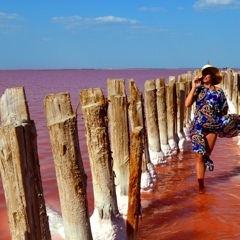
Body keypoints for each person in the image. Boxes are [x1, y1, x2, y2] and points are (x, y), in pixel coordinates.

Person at [185, 64, 240, 191]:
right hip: (197, 126)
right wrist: (194, 87)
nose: (204, 76)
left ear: (212, 76)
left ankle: (201, 182)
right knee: (199, 156)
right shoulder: (199, 89)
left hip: (213, 127)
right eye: (202, 74)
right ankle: (200, 186)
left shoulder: (219, 92)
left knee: (205, 156)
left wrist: (219, 119)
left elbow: (224, 108)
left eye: (206, 74)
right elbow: (187, 104)